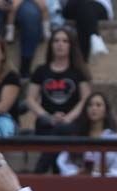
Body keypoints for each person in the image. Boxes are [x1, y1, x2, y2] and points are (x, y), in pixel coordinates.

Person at [25, 26, 90, 172]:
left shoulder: (78, 71)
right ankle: (54, 173)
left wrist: (68, 118)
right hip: (46, 123)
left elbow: (85, 99)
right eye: (56, 41)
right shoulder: (41, 71)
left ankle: (39, 171)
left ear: (70, 45)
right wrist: (48, 117)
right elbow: (30, 99)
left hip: (72, 124)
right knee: (56, 132)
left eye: (65, 41)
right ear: (51, 45)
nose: (60, 44)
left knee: (62, 130)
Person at [56, 91, 117, 176]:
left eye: (98, 105)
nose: (94, 108)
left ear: (106, 111)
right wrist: (78, 173)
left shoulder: (115, 139)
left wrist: (103, 173)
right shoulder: (76, 137)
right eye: (90, 105)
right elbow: (64, 163)